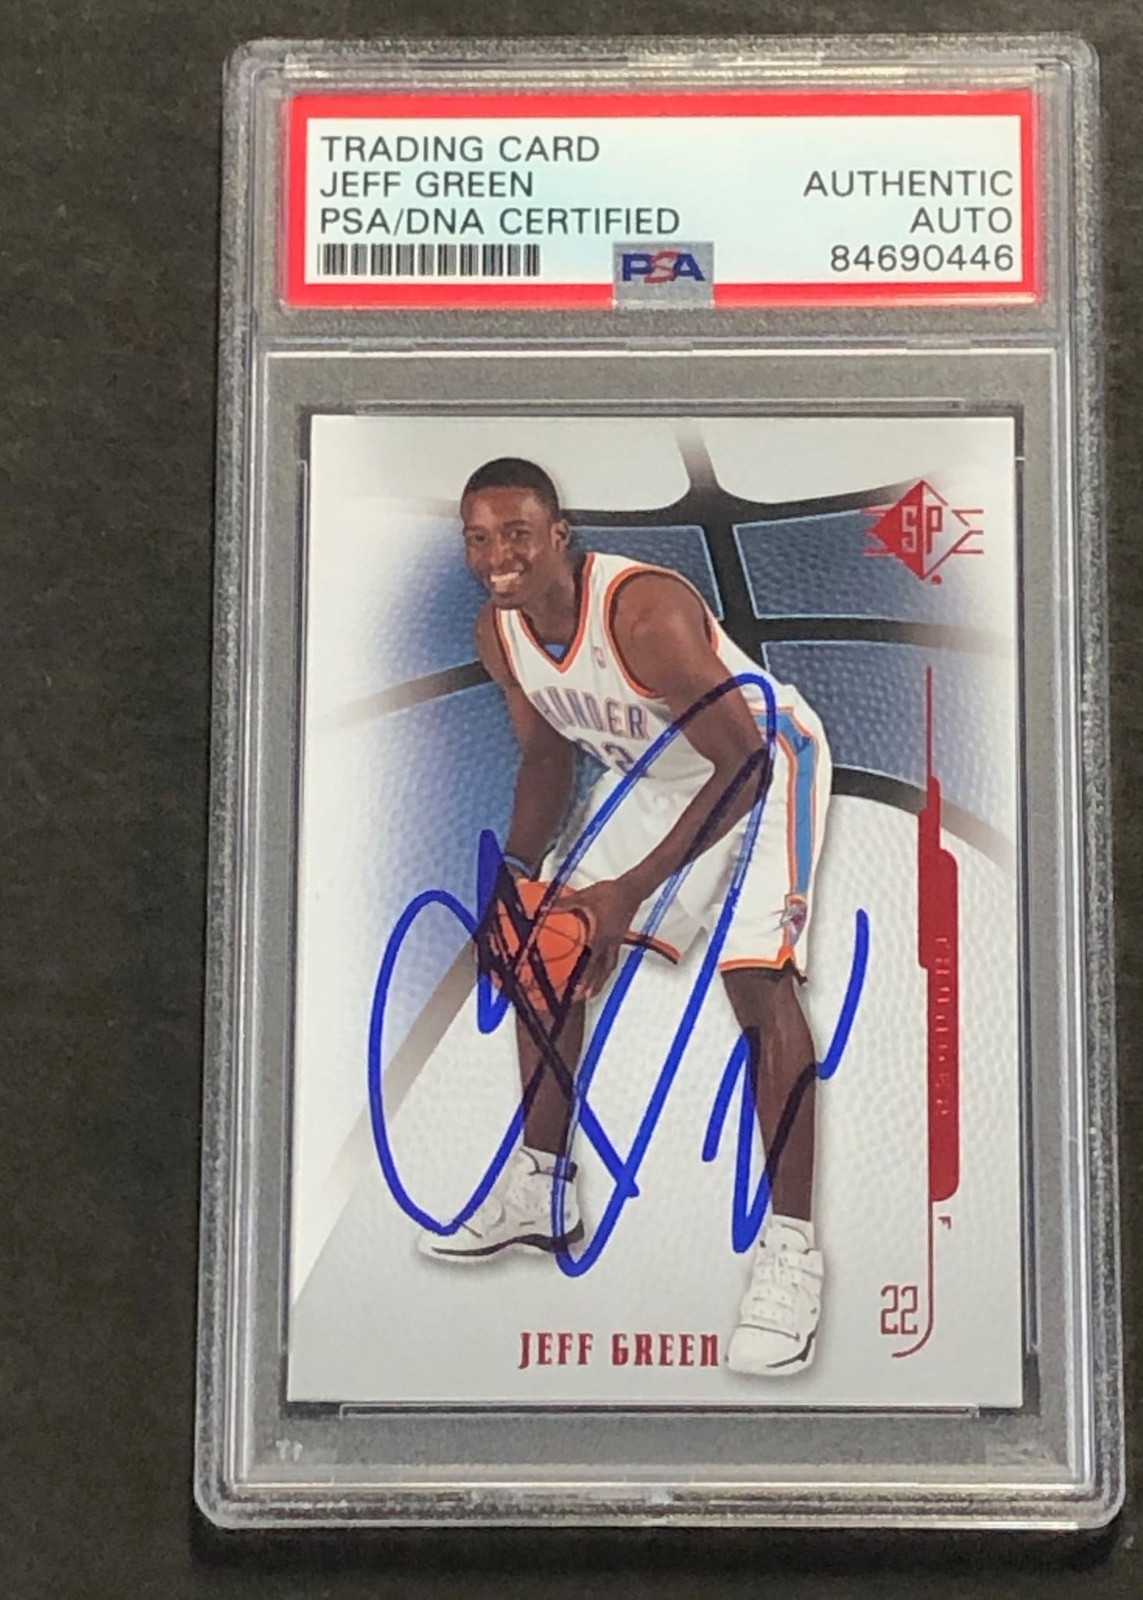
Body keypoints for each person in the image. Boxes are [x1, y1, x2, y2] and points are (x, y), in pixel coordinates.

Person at [419, 456, 833, 1377]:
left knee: (757, 985)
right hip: (663, 776)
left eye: (517, 534)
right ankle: (541, 1190)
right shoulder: (500, 633)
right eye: (479, 539)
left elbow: (743, 764)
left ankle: (792, 1254)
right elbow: (545, 759)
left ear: (559, 535)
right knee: (543, 952)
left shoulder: (644, 615)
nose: (498, 556)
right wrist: (515, 874)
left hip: (764, 762)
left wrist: (630, 889)